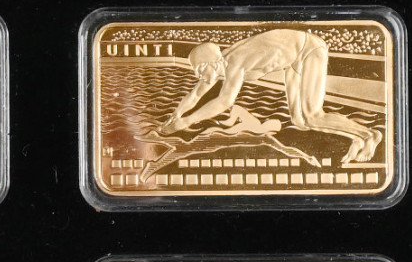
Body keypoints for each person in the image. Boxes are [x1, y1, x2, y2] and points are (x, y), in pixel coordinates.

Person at [162, 31, 378, 163]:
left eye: (200, 69)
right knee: (299, 121)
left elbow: (225, 101)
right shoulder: (217, 66)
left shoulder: (234, 62)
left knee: (313, 115)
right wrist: (176, 114)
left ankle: (370, 135)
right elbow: (196, 93)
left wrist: (187, 122)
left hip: (309, 49)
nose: (198, 75)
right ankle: (355, 137)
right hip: (293, 60)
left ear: (212, 62)